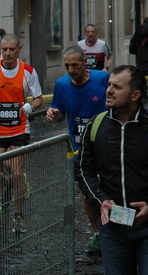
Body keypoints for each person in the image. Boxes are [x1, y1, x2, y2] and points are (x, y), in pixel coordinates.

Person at [78, 65, 148, 274]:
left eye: (117, 87)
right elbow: (83, 170)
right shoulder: (95, 126)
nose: (108, 90)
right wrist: (101, 201)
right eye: (109, 85)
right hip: (113, 230)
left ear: (135, 94)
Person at [0, 34, 43, 233]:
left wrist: (31, 106)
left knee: (16, 173)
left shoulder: (28, 72)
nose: (7, 53)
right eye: (4, 49)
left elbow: (39, 98)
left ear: (19, 49)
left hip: (19, 129)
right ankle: (7, 189)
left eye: (11, 49)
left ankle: (18, 216)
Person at [45, 45, 109, 255]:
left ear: (84, 62)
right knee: (86, 195)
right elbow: (61, 112)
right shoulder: (62, 85)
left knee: (110, 191)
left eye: (74, 64)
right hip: (79, 150)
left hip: (106, 147)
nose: (71, 69)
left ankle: (118, 232)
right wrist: (55, 114)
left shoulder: (102, 79)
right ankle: (99, 235)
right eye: (67, 65)